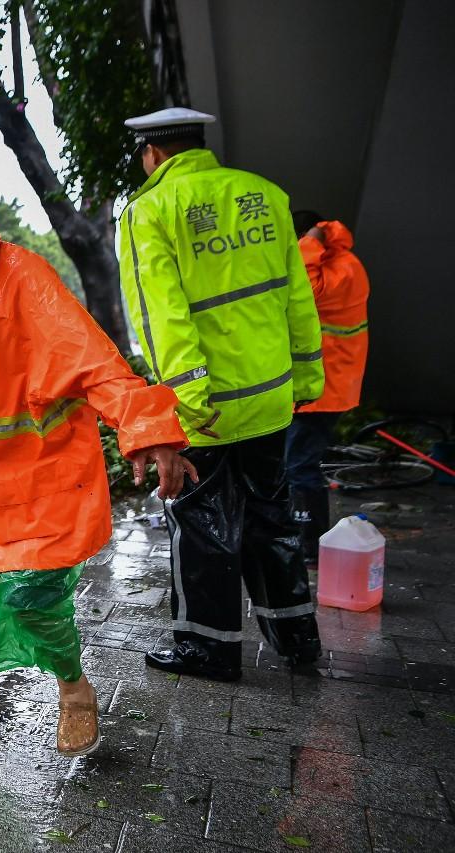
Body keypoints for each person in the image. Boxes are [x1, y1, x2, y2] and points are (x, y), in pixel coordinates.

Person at [0, 164, 195, 755]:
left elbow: (95, 364)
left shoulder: (23, 281)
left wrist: (149, 428)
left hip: (33, 486)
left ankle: (75, 695)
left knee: (33, 599)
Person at [119, 107, 325, 681]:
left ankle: (208, 650)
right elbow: (296, 301)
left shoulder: (149, 211)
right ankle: (297, 638)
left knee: (203, 526)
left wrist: (184, 406)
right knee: (272, 517)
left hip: (206, 407)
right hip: (270, 400)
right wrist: (307, 380)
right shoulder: (264, 195)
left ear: (153, 154)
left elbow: (162, 322)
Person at [286, 211, 370, 563]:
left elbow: (304, 288)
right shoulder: (343, 263)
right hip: (325, 384)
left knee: (299, 466)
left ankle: (309, 545)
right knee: (297, 463)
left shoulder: (340, 268)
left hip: (323, 389)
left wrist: (310, 242)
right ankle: (304, 538)